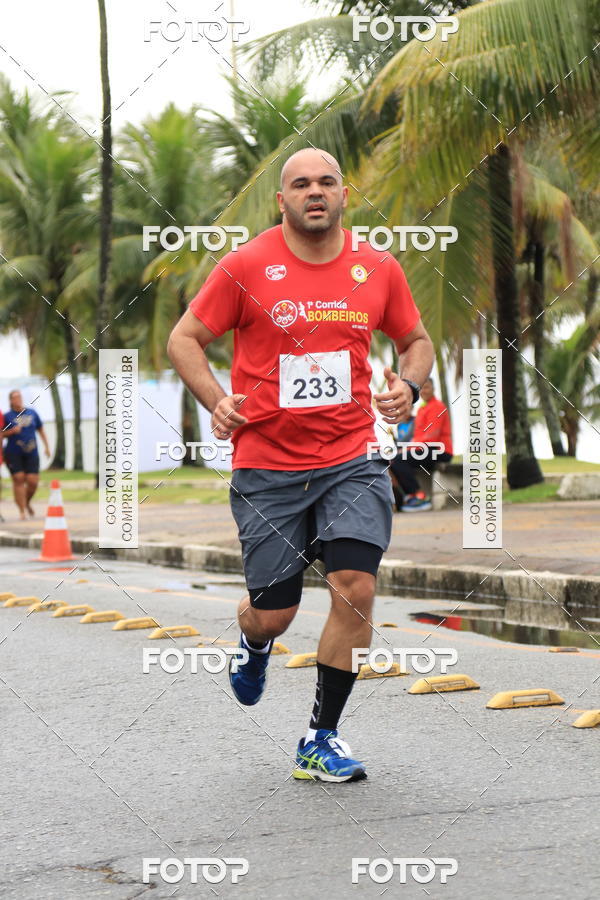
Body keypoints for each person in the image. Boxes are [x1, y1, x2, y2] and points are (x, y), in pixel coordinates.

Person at [168, 147, 434, 782]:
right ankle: (254, 642)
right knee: (275, 610)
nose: (315, 192)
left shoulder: (378, 267)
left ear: (344, 195)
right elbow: (184, 339)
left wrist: (411, 388)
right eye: (300, 184)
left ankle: (321, 737)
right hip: (267, 465)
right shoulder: (247, 266)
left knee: (357, 588)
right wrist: (217, 400)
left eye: (327, 182)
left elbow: (416, 341)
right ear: (280, 200)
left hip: (353, 458)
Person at [390, 377, 452, 512]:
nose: (424, 391)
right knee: (394, 459)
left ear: (433, 389)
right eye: (421, 388)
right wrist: (405, 449)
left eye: (427, 387)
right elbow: (418, 437)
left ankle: (419, 496)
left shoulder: (438, 407)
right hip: (425, 449)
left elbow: (431, 437)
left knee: (399, 460)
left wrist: (406, 449)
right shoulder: (421, 410)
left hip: (440, 450)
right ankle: (410, 497)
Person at [3, 390, 50, 520]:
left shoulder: (32, 412)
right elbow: (2, 433)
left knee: (32, 481)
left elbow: (40, 429)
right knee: (18, 479)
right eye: (15, 397)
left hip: (32, 452)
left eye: (19, 397)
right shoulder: (7, 416)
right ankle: (22, 511)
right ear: (11, 401)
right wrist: (12, 431)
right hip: (13, 453)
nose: (18, 399)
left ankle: (27, 502)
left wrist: (47, 447)